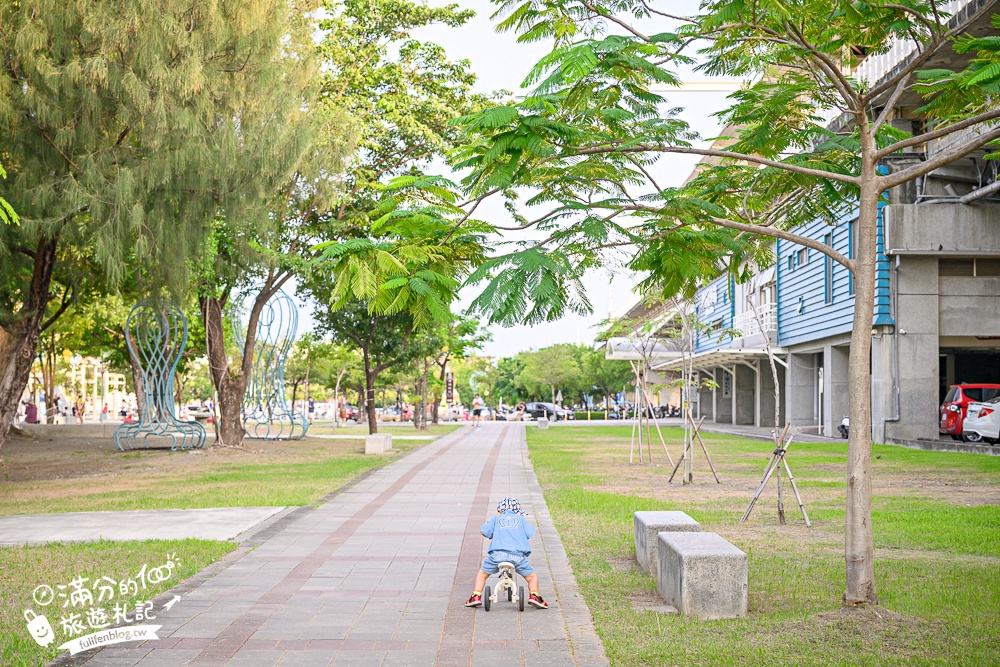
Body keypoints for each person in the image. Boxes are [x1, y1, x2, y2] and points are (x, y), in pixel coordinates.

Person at [466, 497, 548, 609]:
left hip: (497, 556)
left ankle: (476, 595)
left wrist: (492, 535)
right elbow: (530, 532)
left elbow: (483, 531)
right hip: (517, 557)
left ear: (500, 510)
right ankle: (534, 595)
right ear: (517, 512)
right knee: (531, 577)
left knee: (482, 574)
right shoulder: (521, 520)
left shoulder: (496, 519)